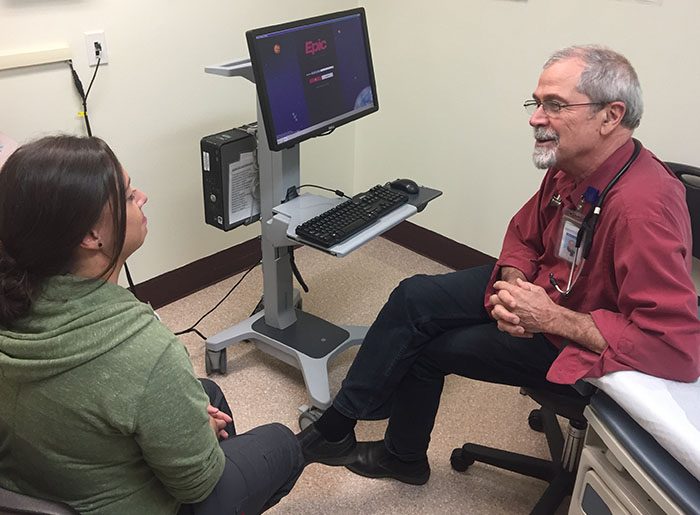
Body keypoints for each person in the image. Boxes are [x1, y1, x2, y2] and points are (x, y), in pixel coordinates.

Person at [297, 45, 700, 485]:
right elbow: (525, 235)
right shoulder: (571, 167)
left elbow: (677, 349)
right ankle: (340, 425)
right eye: (537, 102)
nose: (535, 118)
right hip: (543, 290)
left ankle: (401, 457)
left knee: (428, 350)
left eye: (555, 105)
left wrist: (550, 317)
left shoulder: (644, 209)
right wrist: (513, 286)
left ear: (610, 116)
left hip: (573, 333)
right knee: (414, 297)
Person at [0, 136, 304, 514]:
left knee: (208, 393)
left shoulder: (14, 301)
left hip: (40, 485)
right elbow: (196, 483)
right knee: (282, 444)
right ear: (91, 236)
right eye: (128, 196)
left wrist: (187, 419)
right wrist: (203, 438)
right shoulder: (144, 349)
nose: (143, 197)